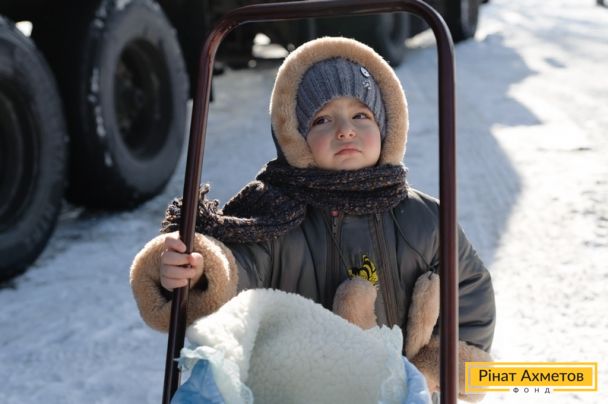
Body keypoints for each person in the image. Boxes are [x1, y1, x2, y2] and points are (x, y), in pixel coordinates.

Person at [130, 36, 495, 401]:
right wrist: (198, 271)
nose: (345, 129)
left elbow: (470, 292)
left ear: (388, 128)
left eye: (361, 115)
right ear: (296, 137)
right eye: (322, 119)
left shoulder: (424, 219)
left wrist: (433, 367)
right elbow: (239, 271)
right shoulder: (272, 214)